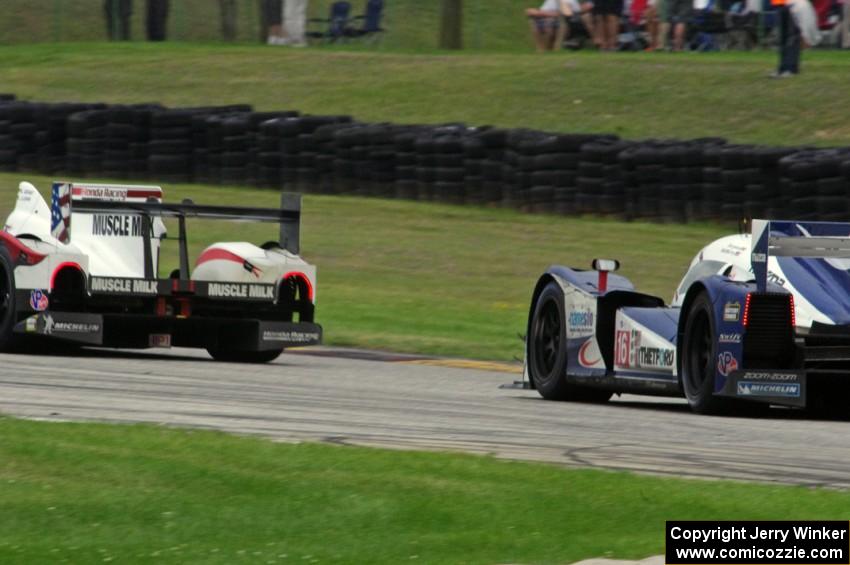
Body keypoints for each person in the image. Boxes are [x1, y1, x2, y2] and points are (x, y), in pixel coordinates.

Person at [772, 0, 820, 76]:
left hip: (793, 5)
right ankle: (782, 68)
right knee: (783, 38)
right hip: (780, 4)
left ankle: (791, 68)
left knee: (792, 37)